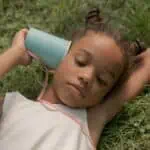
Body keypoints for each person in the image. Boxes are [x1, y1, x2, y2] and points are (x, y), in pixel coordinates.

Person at [0, 8, 149, 150]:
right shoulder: (14, 106)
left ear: (105, 94)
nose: (87, 77)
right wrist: (15, 53)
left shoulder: (91, 121)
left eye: (102, 80)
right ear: (57, 59)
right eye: (81, 62)